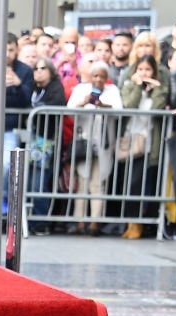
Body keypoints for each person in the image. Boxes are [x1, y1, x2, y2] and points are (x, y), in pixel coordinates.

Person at [0, 32, 33, 215]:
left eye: (11, 50)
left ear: (17, 50)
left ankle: (3, 204)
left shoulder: (25, 71)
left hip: (11, 128)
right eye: (4, 50)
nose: (7, 54)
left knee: (6, 167)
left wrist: (17, 85)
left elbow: (26, 102)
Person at [67, 60, 123, 235]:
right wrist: (83, 102)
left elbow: (120, 111)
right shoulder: (81, 89)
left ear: (106, 78)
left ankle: (94, 222)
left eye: (102, 76)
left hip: (103, 144)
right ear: (90, 76)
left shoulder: (112, 91)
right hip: (84, 143)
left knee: (98, 184)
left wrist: (104, 106)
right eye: (95, 75)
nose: (98, 79)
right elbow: (69, 110)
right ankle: (79, 222)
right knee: (82, 182)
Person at [119, 55, 168, 239]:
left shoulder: (159, 89)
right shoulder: (129, 86)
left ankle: (137, 224)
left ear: (154, 72)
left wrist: (156, 89)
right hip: (130, 140)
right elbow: (129, 105)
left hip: (148, 143)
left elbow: (157, 107)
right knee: (127, 184)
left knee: (139, 184)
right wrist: (138, 87)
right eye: (140, 69)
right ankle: (129, 223)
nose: (144, 73)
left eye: (147, 69)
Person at [27, 55, 68, 235]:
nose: (39, 72)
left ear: (51, 71)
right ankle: (28, 220)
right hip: (30, 140)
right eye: (36, 68)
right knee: (28, 181)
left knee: (39, 182)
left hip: (47, 142)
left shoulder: (56, 87)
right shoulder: (32, 88)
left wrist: (37, 108)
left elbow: (58, 103)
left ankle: (40, 222)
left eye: (43, 68)